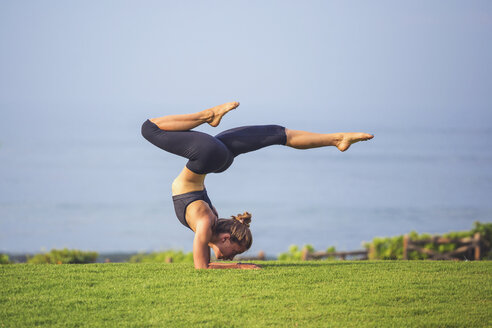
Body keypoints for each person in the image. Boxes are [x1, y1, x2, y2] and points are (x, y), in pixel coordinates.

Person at [141, 102, 373, 269]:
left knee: (149, 128)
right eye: (237, 254)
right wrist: (241, 266)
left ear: (225, 239)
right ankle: (336, 139)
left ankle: (208, 115)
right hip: (211, 157)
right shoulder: (208, 221)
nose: (233, 258)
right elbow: (207, 263)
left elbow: (202, 267)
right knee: (278, 134)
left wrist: (242, 268)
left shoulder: (205, 223)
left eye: (237, 253)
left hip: (212, 157)